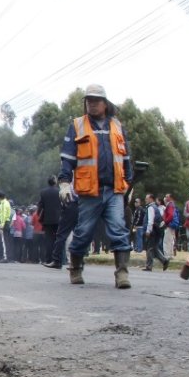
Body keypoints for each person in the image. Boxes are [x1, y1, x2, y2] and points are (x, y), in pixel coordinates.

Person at [58, 83, 134, 288]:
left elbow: (126, 158)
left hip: (114, 190)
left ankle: (122, 274)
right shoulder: (76, 126)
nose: (92, 104)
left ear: (105, 103)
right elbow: (67, 159)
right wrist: (64, 183)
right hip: (89, 191)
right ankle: (75, 267)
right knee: (83, 232)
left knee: (119, 230)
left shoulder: (118, 126)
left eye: (96, 101)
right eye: (88, 101)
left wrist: (129, 181)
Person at [37, 176, 62, 268]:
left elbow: (40, 205)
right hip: (58, 219)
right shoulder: (59, 191)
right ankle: (59, 259)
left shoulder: (43, 192)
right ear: (55, 182)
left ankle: (49, 259)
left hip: (47, 219)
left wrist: (38, 214)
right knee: (58, 239)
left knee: (49, 240)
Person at [141, 193, 168, 271]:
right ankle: (164, 260)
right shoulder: (155, 207)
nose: (145, 200)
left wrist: (148, 231)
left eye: (147, 198)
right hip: (157, 231)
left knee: (149, 248)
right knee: (154, 247)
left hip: (152, 231)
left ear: (151, 199)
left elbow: (150, 221)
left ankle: (149, 266)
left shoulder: (151, 208)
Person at [0, 192, 12, 262]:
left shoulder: (3, 204)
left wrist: (1, 226)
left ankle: (5, 257)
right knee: (3, 240)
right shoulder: (6, 203)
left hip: (3, 223)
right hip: (5, 223)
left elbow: (3, 215)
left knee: (3, 241)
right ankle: (2, 256)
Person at [162, 193, 178, 257]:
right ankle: (170, 254)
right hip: (173, 224)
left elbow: (170, 215)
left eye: (167, 197)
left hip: (170, 225)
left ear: (170, 198)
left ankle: (167, 255)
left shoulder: (170, 205)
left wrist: (165, 222)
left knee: (166, 241)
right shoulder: (173, 205)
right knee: (171, 240)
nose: (165, 198)